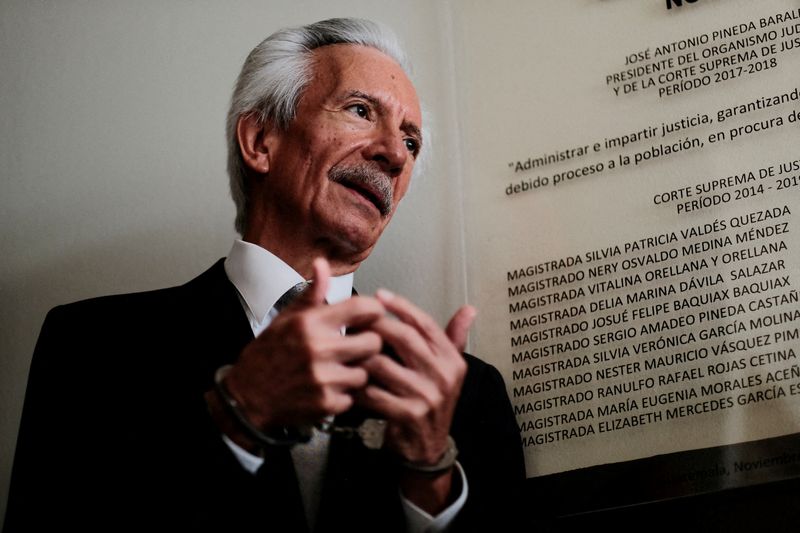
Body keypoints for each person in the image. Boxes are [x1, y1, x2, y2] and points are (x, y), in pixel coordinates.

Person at [4, 18, 524, 532]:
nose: (393, 154)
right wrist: (236, 416)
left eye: (411, 142)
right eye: (361, 110)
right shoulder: (92, 346)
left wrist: (430, 476)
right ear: (259, 141)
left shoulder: (464, 395)